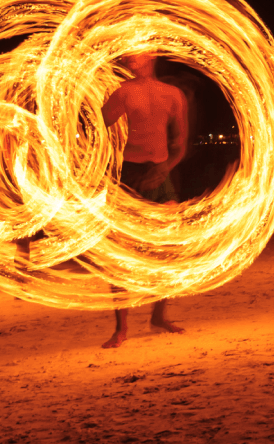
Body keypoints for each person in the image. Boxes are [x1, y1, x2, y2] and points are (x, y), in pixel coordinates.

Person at [98, 53, 189, 348]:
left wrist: (166, 168)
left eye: (135, 54)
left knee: (165, 251)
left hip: (163, 177)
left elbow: (180, 145)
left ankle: (158, 316)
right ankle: (121, 328)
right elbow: (97, 127)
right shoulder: (123, 92)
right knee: (121, 255)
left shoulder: (173, 95)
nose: (129, 59)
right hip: (131, 175)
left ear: (150, 55)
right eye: (127, 57)